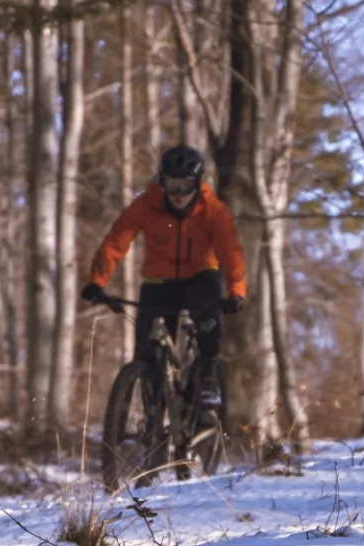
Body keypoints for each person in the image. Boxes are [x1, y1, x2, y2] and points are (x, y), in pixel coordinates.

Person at [80, 144, 246, 406]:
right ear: (162, 181)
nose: (179, 193)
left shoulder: (213, 211)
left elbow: (231, 252)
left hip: (199, 277)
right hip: (159, 282)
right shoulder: (146, 205)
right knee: (146, 354)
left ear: (198, 183)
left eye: (187, 185)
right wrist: (97, 282)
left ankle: (208, 378)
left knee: (207, 319)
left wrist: (236, 291)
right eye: (173, 184)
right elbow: (116, 241)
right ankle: (153, 418)